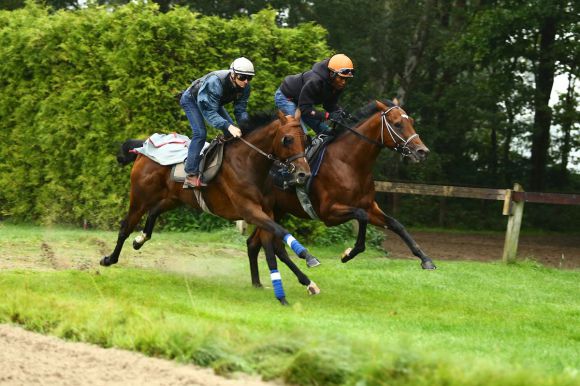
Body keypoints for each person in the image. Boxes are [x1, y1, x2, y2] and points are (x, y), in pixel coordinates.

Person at [180, 57, 254, 188]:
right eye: (242, 77)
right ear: (233, 74)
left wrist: (247, 127)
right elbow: (209, 111)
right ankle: (190, 174)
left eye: (249, 78)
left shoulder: (246, 87)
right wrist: (227, 125)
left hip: (213, 102)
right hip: (191, 100)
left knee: (232, 133)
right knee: (200, 133)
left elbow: (240, 110)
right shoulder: (215, 82)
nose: (246, 81)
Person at [274, 53, 354, 136]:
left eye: (346, 79)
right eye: (341, 78)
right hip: (286, 97)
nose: (343, 82)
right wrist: (327, 116)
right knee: (300, 136)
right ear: (332, 74)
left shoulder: (336, 85)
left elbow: (329, 105)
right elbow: (304, 108)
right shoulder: (315, 81)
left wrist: (341, 113)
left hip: (303, 103)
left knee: (325, 131)